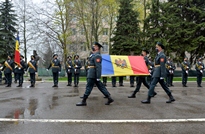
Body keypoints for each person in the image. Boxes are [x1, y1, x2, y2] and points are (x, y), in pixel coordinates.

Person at [76, 42, 114, 106]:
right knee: (101, 87)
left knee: (89, 87)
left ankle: (84, 101)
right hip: (93, 74)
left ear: (97, 48)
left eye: (94, 46)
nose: (93, 47)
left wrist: (98, 77)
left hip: (93, 74)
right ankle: (109, 98)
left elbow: (98, 67)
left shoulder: (97, 56)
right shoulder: (94, 55)